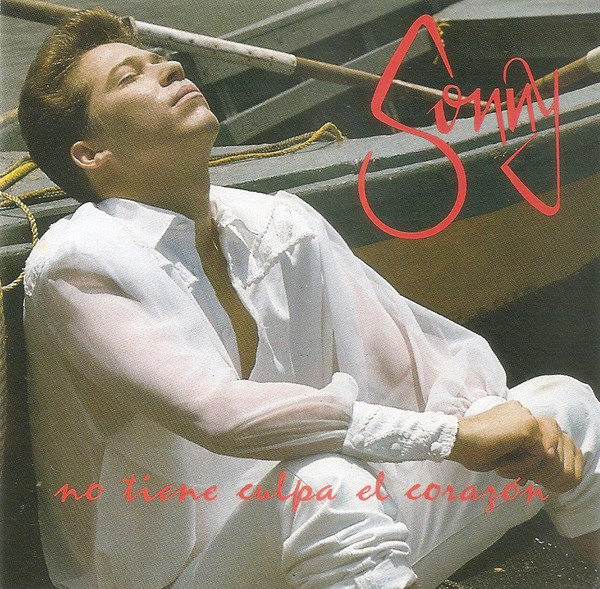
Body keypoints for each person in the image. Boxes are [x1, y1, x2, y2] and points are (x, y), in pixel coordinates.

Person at [18, 8, 599, 589]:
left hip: (316, 540)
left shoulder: (276, 225)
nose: (168, 69)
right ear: (90, 153)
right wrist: (450, 438)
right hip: (181, 575)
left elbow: (413, 364)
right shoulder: (80, 267)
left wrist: (499, 424)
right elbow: (217, 413)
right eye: (130, 77)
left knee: (563, 410)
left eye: (159, 60)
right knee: (325, 483)